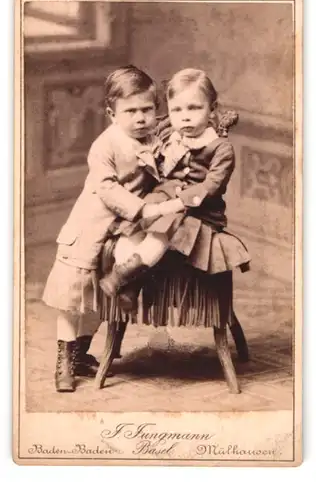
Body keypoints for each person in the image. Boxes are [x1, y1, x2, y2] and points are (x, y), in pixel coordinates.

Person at [42, 65, 180, 392]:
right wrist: (144, 208)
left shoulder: (152, 137)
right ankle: (63, 359)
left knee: (102, 295)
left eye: (147, 109)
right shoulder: (106, 145)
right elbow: (107, 189)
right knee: (72, 294)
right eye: (130, 111)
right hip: (92, 224)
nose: (140, 118)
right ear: (111, 113)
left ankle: (81, 353)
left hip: (123, 227)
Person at [99, 68, 251, 307]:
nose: (185, 117)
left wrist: (177, 203)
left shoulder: (219, 148)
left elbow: (212, 186)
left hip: (198, 212)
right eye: (177, 109)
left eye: (194, 108)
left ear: (212, 110)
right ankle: (129, 283)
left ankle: (124, 274)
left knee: (165, 226)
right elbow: (138, 129)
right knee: (135, 226)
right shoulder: (169, 131)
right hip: (162, 199)